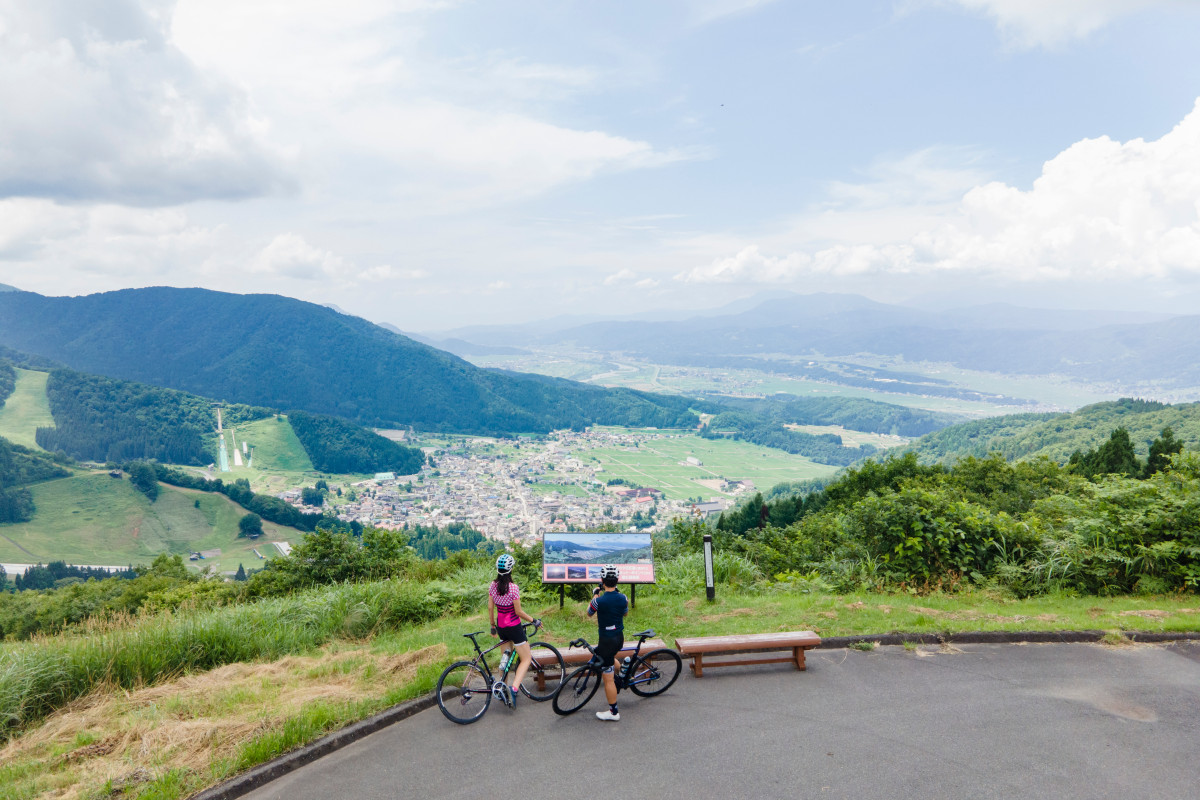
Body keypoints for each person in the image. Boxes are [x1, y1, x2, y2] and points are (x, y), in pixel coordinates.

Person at [488, 553, 540, 708]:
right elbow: (518, 612)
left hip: (501, 627)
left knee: (505, 659)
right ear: (511, 570)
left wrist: (492, 626)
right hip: (514, 627)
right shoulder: (513, 588)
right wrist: (534, 620)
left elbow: (491, 607)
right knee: (526, 659)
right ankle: (514, 688)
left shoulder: (492, 586)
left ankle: (503, 688)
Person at [587, 563, 628, 722]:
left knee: (608, 678)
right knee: (610, 658)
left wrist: (595, 595)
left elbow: (589, 613)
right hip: (618, 638)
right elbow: (625, 613)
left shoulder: (599, 601)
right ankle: (624, 670)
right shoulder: (623, 598)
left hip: (606, 641)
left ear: (602, 581)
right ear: (617, 581)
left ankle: (613, 712)